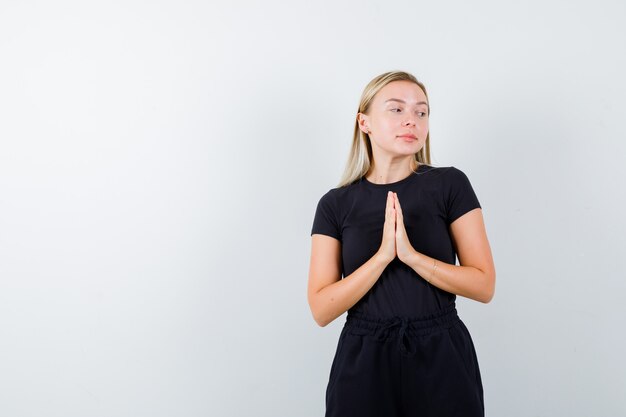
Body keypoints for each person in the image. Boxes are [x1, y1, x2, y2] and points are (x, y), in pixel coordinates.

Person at [307, 71, 496, 417]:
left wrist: (411, 257)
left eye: (421, 112)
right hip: (363, 358)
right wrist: (382, 258)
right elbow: (321, 309)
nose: (412, 120)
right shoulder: (335, 204)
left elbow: (483, 285)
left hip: (441, 353)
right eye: (396, 110)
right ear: (364, 123)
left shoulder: (450, 185)